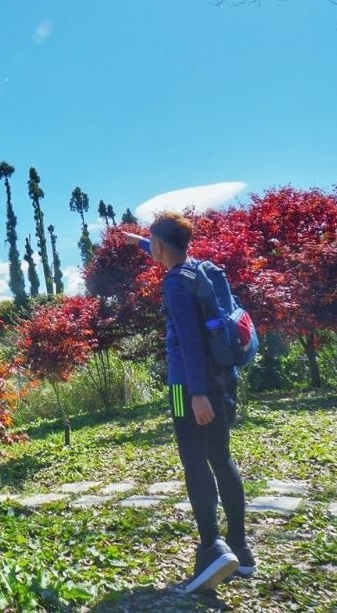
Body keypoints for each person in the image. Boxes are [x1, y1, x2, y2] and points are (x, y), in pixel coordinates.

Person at [124, 211, 255, 594]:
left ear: (162, 246)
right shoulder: (200, 272)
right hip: (222, 380)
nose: (151, 248)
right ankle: (241, 550)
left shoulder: (173, 285)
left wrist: (196, 394)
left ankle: (211, 549)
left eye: (152, 243)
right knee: (221, 457)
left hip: (189, 388)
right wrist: (138, 241)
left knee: (194, 462)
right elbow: (163, 249)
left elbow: (190, 341)